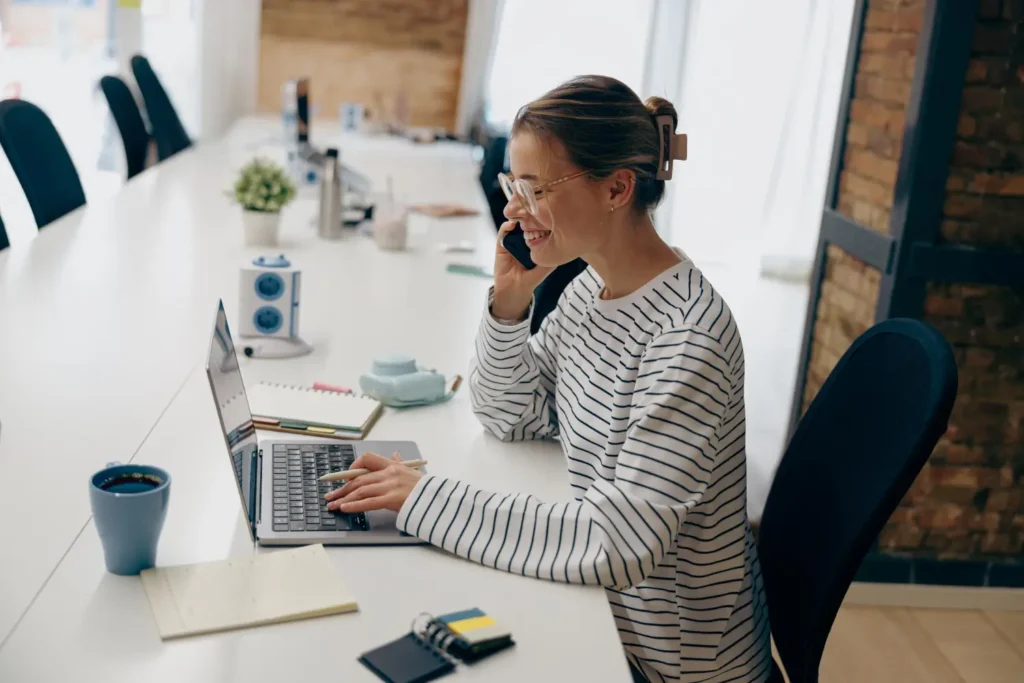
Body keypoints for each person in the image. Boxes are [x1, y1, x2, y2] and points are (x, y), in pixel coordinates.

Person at [325, 75, 771, 683]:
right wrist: (509, 307)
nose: (512, 210)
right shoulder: (593, 287)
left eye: (533, 189)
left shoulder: (688, 337)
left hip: (665, 659)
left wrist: (423, 498)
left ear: (617, 187)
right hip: (610, 611)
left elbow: (619, 542)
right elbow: (514, 416)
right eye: (513, 186)